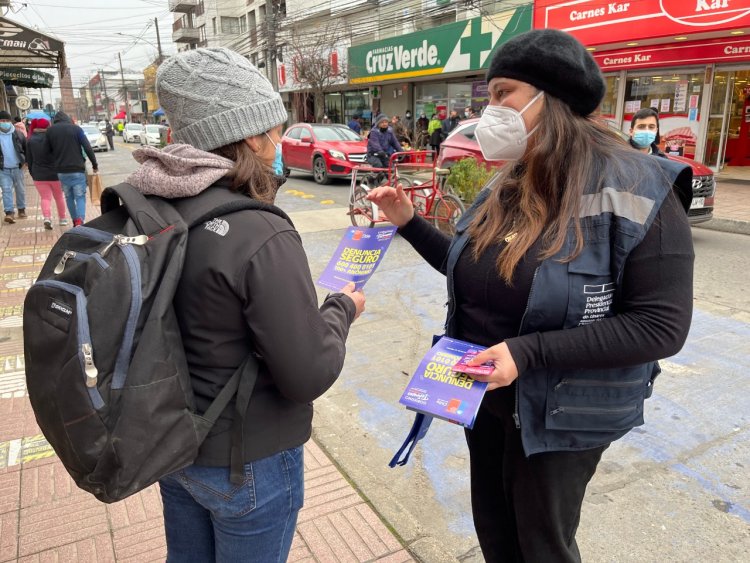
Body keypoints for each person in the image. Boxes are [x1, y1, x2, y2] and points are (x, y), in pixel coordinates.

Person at [368, 29, 694, 562]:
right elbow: (473, 271)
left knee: (542, 547)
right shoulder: (512, 182)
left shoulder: (640, 185)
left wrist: (526, 354)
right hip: (487, 398)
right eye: (488, 95)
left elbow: (661, 326)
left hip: (563, 414)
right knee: (496, 534)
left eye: (503, 94)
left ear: (552, 97)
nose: (490, 109)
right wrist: (409, 223)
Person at [128, 47, 365, 562]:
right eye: (275, 131)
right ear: (251, 135)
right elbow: (307, 373)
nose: (280, 143)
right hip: (247, 460)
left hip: (172, 444)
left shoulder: (149, 206)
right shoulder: (258, 230)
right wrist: (341, 310)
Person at [45, 111, 98, 227]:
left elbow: (47, 151)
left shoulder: (50, 131)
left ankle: (75, 220)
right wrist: (94, 165)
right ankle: (80, 220)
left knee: (69, 196)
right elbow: (87, 147)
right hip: (77, 169)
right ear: (67, 119)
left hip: (61, 171)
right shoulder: (76, 129)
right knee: (80, 196)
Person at [26, 118, 67, 229]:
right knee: (59, 197)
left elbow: (29, 159)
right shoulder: (53, 139)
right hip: (56, 174)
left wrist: (32, 173)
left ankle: (47, 218)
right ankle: (62, 219)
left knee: (45, 198)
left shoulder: (30, 140)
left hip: (39, 174)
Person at [0, 110, 27, 223]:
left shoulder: (18, 134)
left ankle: (21, 209)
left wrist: (25, 162)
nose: (4, 122)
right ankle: (9, 213)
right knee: (6, 190)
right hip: (3, 169)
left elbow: (26, 148)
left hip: (17, 167)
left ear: (10, 121)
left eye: (6, 120)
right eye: (2, 121)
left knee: (20, 189)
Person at [366, 113, 402, 185]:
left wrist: (400, 151)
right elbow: (375, 144)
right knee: (378, 166)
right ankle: (371, 180)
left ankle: (391, 186)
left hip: (384, 154)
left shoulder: (389, 131)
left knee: (390, 169)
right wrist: (380, 151)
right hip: (373, 154)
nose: (384, 124)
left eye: (386, 122)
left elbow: (394, 142)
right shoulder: (374, 132)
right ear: (378, 123)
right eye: (382, 122)